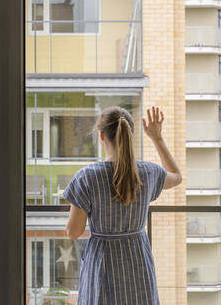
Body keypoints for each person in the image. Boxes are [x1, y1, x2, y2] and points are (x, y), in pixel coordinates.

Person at [63, 106, 182, 305]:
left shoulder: (87, 177)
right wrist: (157, 138)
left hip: (102, 263)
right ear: (130, 135)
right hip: (137, 261)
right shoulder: (147, 172)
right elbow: (176, 177)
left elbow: (73, 232)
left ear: (101, 135)